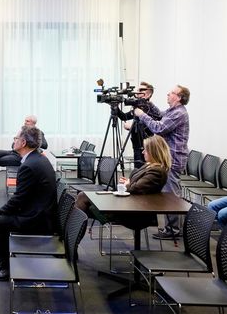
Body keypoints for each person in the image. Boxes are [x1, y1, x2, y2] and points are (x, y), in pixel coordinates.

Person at [0, 126, 58, 281]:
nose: (14, 140)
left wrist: (0, 212)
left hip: (36, 220)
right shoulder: (37, 159)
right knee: (0, 220)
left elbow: (19, 198)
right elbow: (22, 197)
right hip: (42, 212)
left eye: (16, 138)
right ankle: (4, 261)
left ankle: (6, 266)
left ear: (23, 143)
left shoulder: (28, 165)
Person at [134, 85, 191, 239]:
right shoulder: (173, 111)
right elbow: (160, 115)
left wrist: (142, 115)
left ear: (179, 97)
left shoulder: (179, 113)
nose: (168, 94)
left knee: (171, 194)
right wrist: (147, 102)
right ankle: (171, 228)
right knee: (168, 192)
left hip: (173, 158)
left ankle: (173, 230)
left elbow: (158, 128)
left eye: (171, 92)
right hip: (169, 157)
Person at [75, 135, 170, 215]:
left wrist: (128, 183)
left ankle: (73, 228)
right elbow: (136, 184)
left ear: (154, 152)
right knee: (83, 198)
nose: (143, 152)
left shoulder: (157, 171)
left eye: (145, 150)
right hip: (127, 201)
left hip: (133, 208)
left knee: (82, 197)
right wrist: (129, 182)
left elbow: (135, 188)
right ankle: (74, 227)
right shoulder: (149, 166)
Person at [0, 115, 48, 194]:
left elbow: (45, 145)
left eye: (27, 121)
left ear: (33, 123)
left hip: (20, 156)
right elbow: (14, 144)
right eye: (25, 120)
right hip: (14, 152)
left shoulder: (38, 133)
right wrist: (16, 142)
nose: (25, 122)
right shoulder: (23, 131)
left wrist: (32, 139)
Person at [113, 82, 162, 168]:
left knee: (144, 168)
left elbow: (154, 126)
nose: (137, 92)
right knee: (137, 168)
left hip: (146, 145)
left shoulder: (151, 108)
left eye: (141, 90)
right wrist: (115, 107)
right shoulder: (138, 107)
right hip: (136, 143)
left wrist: (132, 126)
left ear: (149, 94)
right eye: (137, 90)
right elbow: (124, 116)